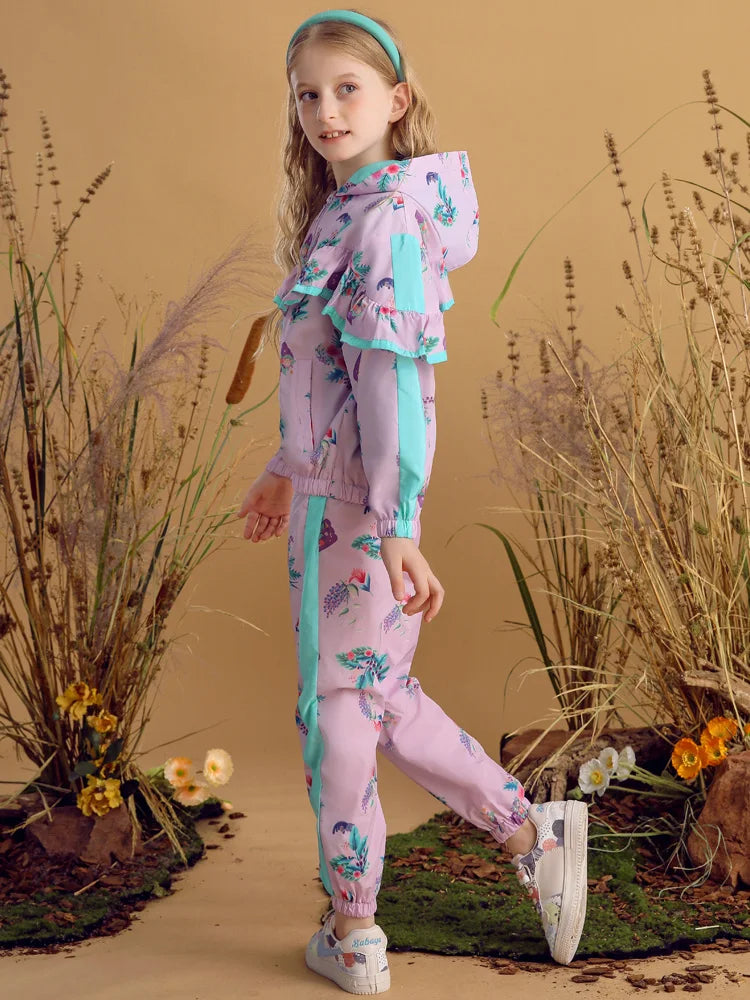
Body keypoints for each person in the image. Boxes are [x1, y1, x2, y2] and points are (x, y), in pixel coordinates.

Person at [237, 8, 589, 994]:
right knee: (374, 698)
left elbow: (392, 380)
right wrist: (285, 466)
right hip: (332, 504)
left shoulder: (386, 217)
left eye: (346, 88)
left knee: (341, 714)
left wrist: (395, 525)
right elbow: (332, 377)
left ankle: (356, 927)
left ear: (396, 100)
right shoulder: (343, 211)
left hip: (364, 514)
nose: (325, 110)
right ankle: (528, 832)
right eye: (308, 94)